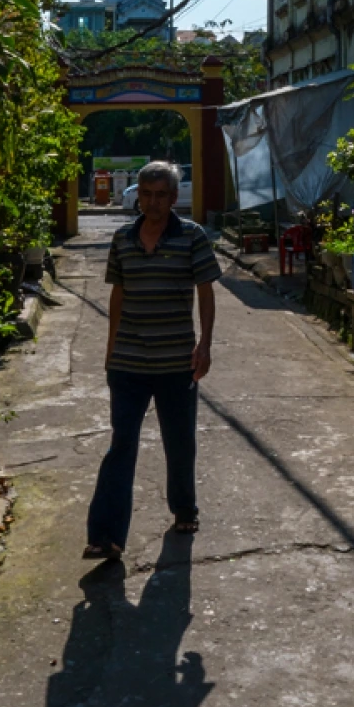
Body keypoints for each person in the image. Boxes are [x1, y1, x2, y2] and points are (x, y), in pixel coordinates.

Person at [84, 161, 220, 561]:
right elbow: (118, 294)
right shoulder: (123, 238)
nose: (152, 202)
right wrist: (110, 349)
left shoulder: (191, 236)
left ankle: (184, 509)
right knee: (121, 444)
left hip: (177, 361)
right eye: (146, 194)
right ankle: (105, 536)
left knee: (179, 441)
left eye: (161, 195)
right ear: (138, 196)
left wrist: (205, 345)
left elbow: (206, 291)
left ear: (174, 198)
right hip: (128, 362)